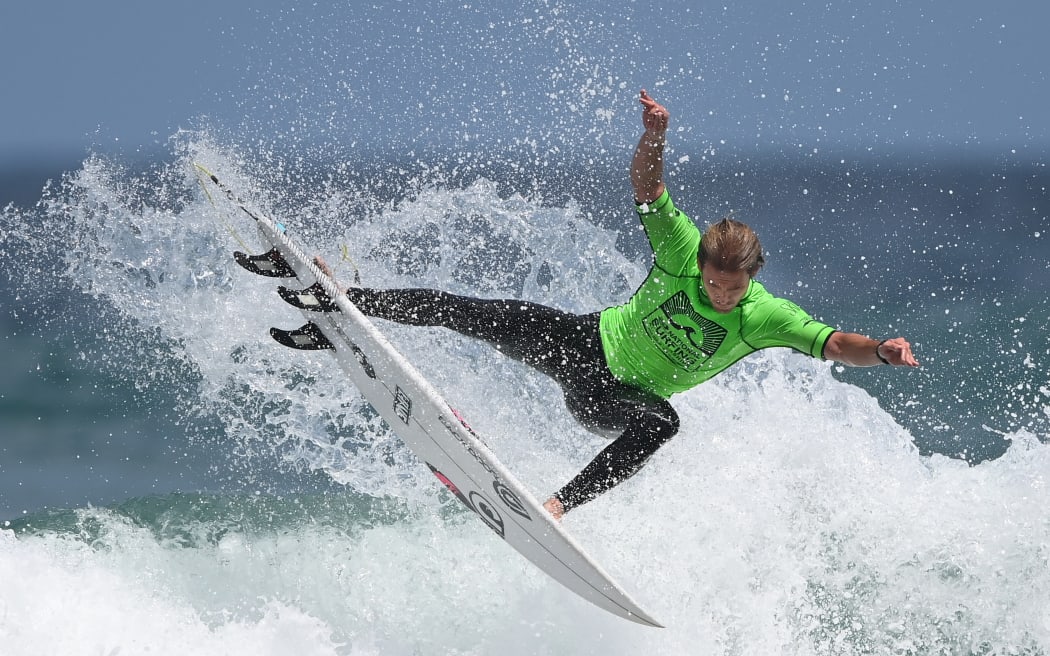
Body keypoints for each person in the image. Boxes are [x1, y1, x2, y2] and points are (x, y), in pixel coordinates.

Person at [317, 89, 919, 521]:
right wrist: (654, 137)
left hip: (613, 397)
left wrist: (881, 353)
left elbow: (834, 344)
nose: (720, 295)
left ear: (752, 277)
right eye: (713, 284)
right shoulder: (681, 250)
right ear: (702, 263)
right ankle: (347, 299)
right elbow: (648, 187)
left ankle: (556, 506)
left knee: (663, 424)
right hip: (583, 343)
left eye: (731, 290)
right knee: (481, 312)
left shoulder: (763, 316)